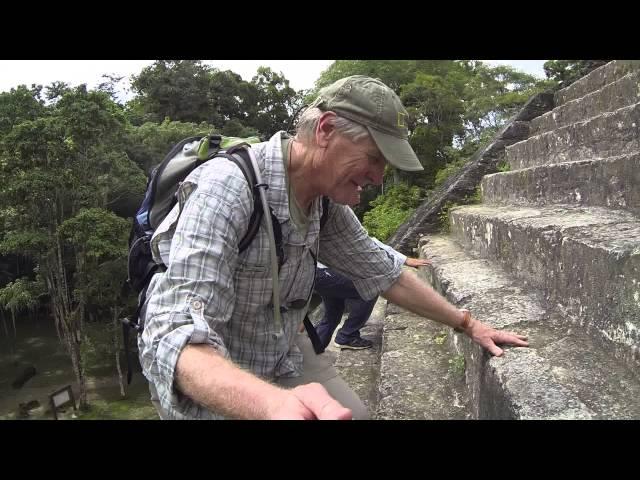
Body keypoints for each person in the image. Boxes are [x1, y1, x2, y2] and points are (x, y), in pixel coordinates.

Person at [138, 75, 529, 420]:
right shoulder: (227, 189)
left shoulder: (323, 201)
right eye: (374, 158)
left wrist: (468, 324)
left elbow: (383, 271)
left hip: (279, 349)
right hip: (219, 374)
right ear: (325, 129)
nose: (377, 176)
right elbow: (175, 336)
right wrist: (272, 405)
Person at [314, 255, 431, 350]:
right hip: (326, 272)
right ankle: (347, 336)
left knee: (332, 313)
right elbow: (373, 245)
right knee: (370, 289)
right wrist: (405, 260)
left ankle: (315, 349)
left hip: (318, 272)